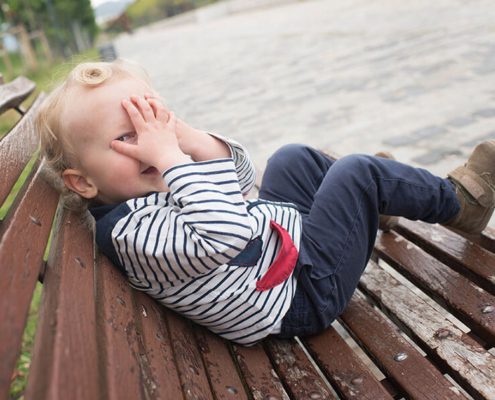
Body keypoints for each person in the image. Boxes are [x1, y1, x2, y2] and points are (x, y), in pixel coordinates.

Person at [36, 60, 495, 345]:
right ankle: (462, 204)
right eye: (125, 136)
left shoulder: (146, 187)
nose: (149, 142)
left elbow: (237, 182)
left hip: (281, 250)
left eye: (154, 121)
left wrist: (188, 140)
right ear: (84, 183)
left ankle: (373, 207)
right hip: (302, 294)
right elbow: (229, 232)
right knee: (358, 171)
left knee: (290, 158)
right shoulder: (133, 233)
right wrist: (172, 159)